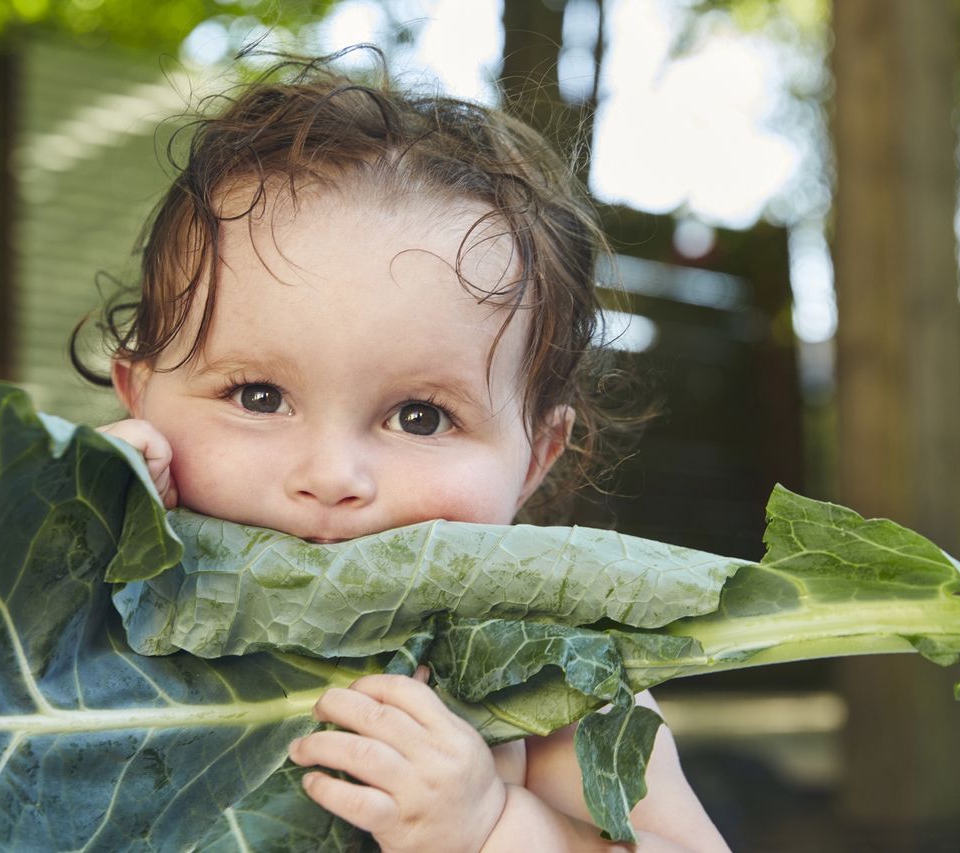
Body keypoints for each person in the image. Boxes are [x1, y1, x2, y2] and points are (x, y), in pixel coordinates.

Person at [81, 45, 729, 853]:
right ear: (139, 396)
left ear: (536, 455)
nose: (330, 477)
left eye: (420, 417)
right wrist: (53, 542)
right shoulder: (99, 600)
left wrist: (496, 828)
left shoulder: (557, 676)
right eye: (257, 396)